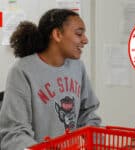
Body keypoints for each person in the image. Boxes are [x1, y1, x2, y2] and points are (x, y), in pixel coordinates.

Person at [0, 8, 101, 150]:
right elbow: (13, 133)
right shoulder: (22, 71)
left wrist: (86, 139)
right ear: (57, 34)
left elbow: (88, 113)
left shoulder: (78, 67)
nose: (85, 40)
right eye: (79, 33)